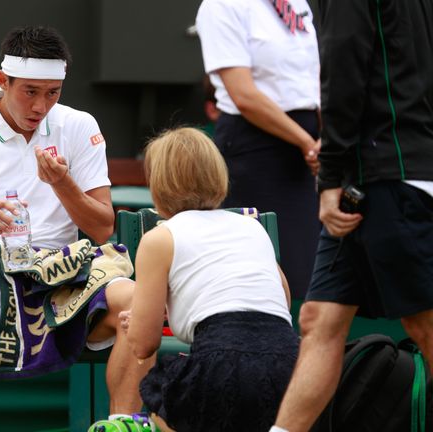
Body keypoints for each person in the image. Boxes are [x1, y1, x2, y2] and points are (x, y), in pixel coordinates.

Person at [0, 26, 152, 432]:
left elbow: (101, 228)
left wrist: (62, 184)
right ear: (2, 81)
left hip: (65, 273)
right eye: (30, 91)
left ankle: (122, 425)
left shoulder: (79, 127)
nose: (41, 104)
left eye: (53, 92)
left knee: (137, 301)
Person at [270, 0, 433, 431]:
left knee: (425, 323)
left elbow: (344, 68)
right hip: (377, 178)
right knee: (319, 318)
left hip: (387, 178)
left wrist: (331, 179)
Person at [115, 127, 298, 432]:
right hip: (290, 364)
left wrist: (135, 325)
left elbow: (144, 345)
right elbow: (282, 302)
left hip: (220, 364)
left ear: (158, 183)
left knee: (161, 398)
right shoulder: (253, 228)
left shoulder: (159, 238)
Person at [195, 0, 321, 299]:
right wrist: (307, 143)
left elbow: (314, 80)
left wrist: (324, 138)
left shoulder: (297, 3)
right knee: (266, 274)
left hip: (308, 151)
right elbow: (244, 94)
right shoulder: (220, 6)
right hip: (254, 151)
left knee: (307, 271)